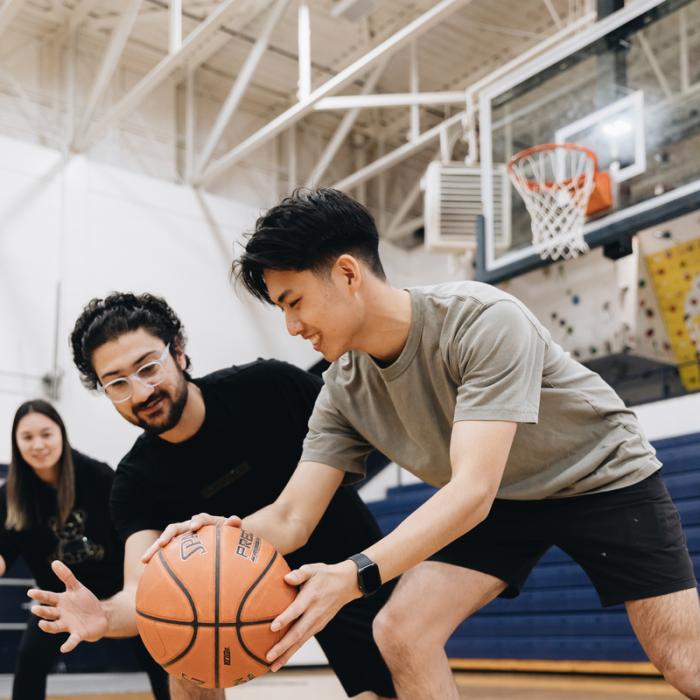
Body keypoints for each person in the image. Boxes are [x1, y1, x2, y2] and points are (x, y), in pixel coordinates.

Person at [147, 187, 700, 700]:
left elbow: (472, 490)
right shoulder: (341, 391)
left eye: (294, 302)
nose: (292, 326)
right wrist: (223, 535)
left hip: (601, 478)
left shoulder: (482, 320)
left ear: (345, 273)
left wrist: (354, 573)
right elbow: (292, 516)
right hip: (505, 500)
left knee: (683, 660)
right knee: (401, 629)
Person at [28, 292, 395, 700]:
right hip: (233, 602)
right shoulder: (134, 482)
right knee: (182, 659)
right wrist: (105, 614)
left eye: (148, 366)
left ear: (179, 354)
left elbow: (362, 431)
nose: (140, 390)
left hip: (344, 569)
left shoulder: (269, 388)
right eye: (116, 382)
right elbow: (140, 589)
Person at [0, 399, 169, 700]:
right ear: (16, 443)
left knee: (159, 657)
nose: (38, 444)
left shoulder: (97, 476)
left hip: (118, 591)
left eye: (46, 434)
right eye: (27, 437)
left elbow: (134, 531)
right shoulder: (11, 495)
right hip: (60, 600)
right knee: (29, 660)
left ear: (61, 435)